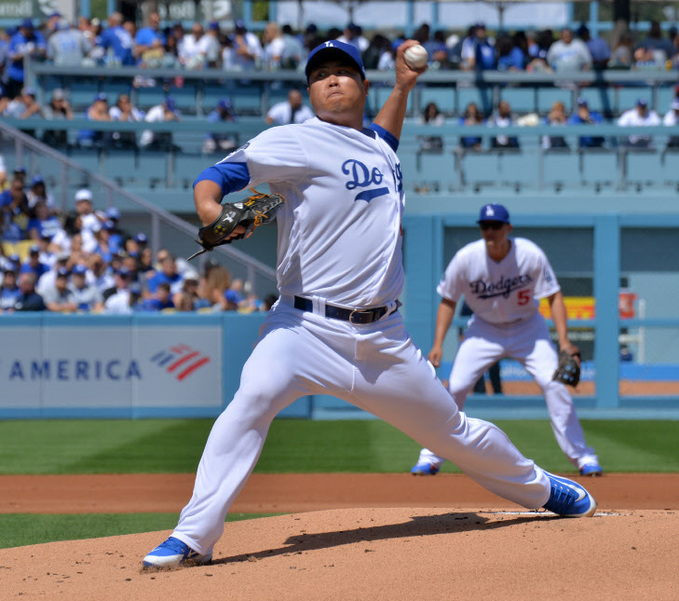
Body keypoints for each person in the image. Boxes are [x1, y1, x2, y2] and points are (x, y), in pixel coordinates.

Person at [141, 39, 597, 569]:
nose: (331, 79)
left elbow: (382, 138)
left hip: (384, 339)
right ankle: (193, 534)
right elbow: (220, 175)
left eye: (343, 71)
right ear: (309, 90)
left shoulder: (377, 145)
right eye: (320, 74)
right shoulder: (294, 140)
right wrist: (209, 210)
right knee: (251, 400)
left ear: (362, 84)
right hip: (303, 328)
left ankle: (540, 488)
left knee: (452, 432)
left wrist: (403, 87)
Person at [410, 203, 602, 478]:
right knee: (457, 387)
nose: (490, 231)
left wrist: (564, 341)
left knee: (555, 385)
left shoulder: (529, 254)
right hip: (484, 330)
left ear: (507, 228)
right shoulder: (466, 258)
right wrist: (438, 343)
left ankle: (584, 457)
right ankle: (431, 456)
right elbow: (448, 300)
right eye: (485, 226)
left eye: (496, 226)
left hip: (528, 329)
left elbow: (554, 295)